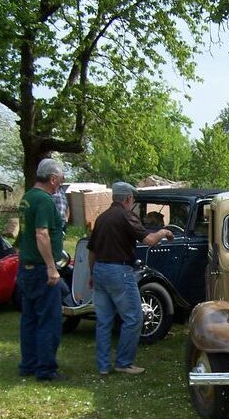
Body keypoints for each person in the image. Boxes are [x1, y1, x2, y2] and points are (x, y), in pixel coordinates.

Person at [87, 182, 174, 376]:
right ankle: (124, 363)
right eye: (132, 199)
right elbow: (149, 240)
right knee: (134, 318)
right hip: (119, 271)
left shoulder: (101, 218)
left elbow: (91, 250)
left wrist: (92, 274)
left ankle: (102, 366)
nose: (132, 202)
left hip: (100, 270)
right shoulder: (126, 216)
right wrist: (164, 231)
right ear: (127, 198)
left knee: (104, 321)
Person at [16, 158, 66, 381]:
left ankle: (28, 364)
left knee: (29, 319)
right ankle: (45, 370)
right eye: (61, 179)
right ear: (53, 179)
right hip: (40, 269)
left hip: (25, 268)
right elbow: (41, 234)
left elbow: (23, 236)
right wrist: (51, 268)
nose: (61, 183)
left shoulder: (27, 197)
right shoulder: (45, 200)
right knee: (49, 320)